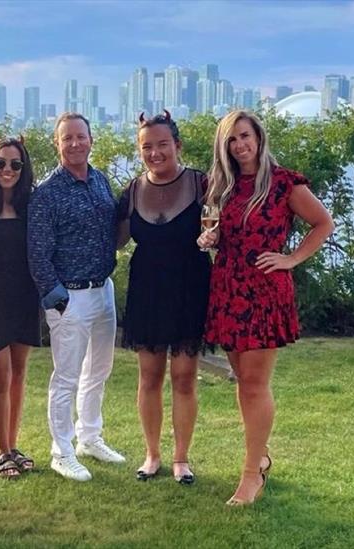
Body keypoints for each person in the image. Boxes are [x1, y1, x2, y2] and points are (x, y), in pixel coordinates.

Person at [197, 110, 334, 505]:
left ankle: (250, 474)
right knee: (244, 384)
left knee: (256, 385)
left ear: (258, 137)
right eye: (232, 140)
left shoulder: (283, 183)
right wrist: (212, 238)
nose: (240, 145)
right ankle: (260, 458)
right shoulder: (221, 186)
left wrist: (291, 259)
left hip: (263, 292)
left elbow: (323, 223)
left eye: (245, 136)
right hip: (227, 289)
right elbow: (226, 232)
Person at [28, 112, 124, 482]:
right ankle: (61, 451)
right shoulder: (47, 192)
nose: (74, 143)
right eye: (67, 138)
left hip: (104, 290)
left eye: (80, 137)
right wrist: (57, 298)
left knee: (99, 370)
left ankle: (90, 437)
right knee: (66, 376)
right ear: (57, 143)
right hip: (71, 295)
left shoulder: (99, 180)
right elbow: (37, 252)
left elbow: (114, 227)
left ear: (91, 139)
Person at [116, 111, 210, 484]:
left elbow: (224, 224)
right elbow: (114, 240)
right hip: (147, 288)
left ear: (177, 145)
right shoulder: (132, 191)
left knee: (185, 377)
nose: (155, 153)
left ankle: (181, 459)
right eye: (146, 147)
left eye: (161, 145)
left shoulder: (203, 183)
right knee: (149, 376)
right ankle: (152, 454)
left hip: (190, 284)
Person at [0, 136, 41, 479]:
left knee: (18, 373)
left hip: (25, 296)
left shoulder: (32, 205)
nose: (7, 170)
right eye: (0, 163)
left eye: (15, 164)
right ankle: (1, 451)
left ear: (23, 167)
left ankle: (13, 445)